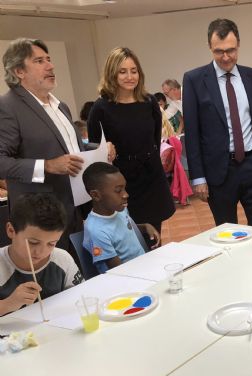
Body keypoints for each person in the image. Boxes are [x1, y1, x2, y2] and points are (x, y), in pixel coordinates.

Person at [0, 38, 114, 249]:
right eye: (39, 61)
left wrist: (99, 150)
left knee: (77, 267)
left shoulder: (61, 106)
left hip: (75, 208)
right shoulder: (7, 107)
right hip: (39, 218)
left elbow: (70, 149)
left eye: (49, 59)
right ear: (19, 71)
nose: (50, 66)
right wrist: (47, 165)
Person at [183, 18, 252, 227]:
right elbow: (192, 133)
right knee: (227, 232)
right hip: (219, 171)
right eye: (218, 51)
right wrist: (198, 177)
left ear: (238, 44)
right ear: (209, 47)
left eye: (230, 50)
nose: (225, 57)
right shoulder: (194, 80)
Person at [87, 47, 175, 234]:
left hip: (151, 177)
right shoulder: (101, 107)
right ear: (112, 74)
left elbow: (154, 139)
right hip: (121, 181)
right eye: (123, 72)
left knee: (154, 236)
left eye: (133, 71)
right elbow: (95, 150)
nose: (130, 77)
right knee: (128, 236)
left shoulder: (149, 102)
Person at [0, 193, 82, 317]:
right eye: (33, 242)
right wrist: (8, 304)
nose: (41, 252)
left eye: (51, 244)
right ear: (11, 230)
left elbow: (81, 297)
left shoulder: (62, 259)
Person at [82, 162, 159, 274]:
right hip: (127, 276)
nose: (126, 194)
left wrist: (144, 227)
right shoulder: (96, 231)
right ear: (96, 195)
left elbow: (123, 230)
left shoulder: (119, 209)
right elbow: (118, 271)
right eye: (118, 191)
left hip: (143, 266)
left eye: (124, 188)